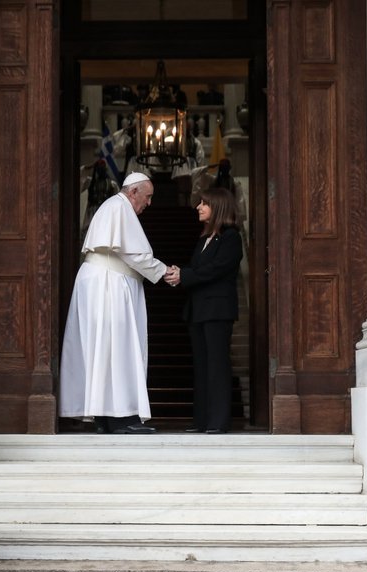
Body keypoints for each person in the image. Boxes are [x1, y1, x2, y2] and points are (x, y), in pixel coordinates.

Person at [59, 172, 174, 434]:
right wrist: (165, 271)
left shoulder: (113, 207)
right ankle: (121, 417)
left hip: (103, 282)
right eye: (147, 197)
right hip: (108, 285)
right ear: (133, 192)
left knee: (104, 349)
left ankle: (105, 416)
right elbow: (135, 254)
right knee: (116, 348)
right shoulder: (120, 208)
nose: (149, 203)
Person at [164, 188, 243, 434]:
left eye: (204, 203)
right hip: (198, 311)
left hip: (218, 311)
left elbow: (216, 269)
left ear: (218, 207)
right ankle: (202, 421)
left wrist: (184, 275)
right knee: (201, 366)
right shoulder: (204, 238)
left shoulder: (231, 237)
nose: (198, 207)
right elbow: (200, 269)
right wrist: (181, 272)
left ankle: (218, 422)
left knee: (217, 366)